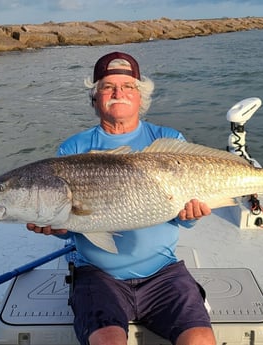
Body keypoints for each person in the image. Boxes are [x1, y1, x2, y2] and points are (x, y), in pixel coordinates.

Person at [27, 52, 216, 345]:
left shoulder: (167, 138)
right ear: (95, 97)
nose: (119, 93)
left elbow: (185, 219)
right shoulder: (74, 147)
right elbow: (69, 227)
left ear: (141, 96)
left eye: (128, 86)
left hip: (163, 271)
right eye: (107, 86)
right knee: (107, 341)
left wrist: (192, 214)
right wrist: (59, 229)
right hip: (97, 274)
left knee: (201, 339)